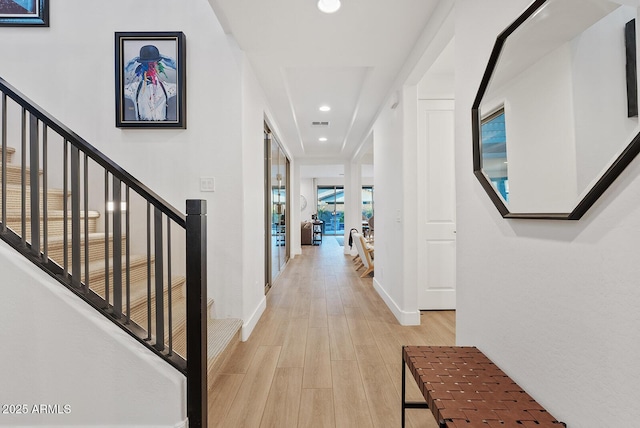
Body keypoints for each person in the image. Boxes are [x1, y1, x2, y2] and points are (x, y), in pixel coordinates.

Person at [123, 45, 177, 121]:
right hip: (139, 131)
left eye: (152, 64)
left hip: (164, 130)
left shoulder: (167, 88)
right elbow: (114, 88)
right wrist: (125, 69)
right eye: (145, 64)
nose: (149, 68)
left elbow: (185, 85)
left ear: (157, 65)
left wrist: (174, 64)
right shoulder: (133, 89)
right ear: (141, 66)